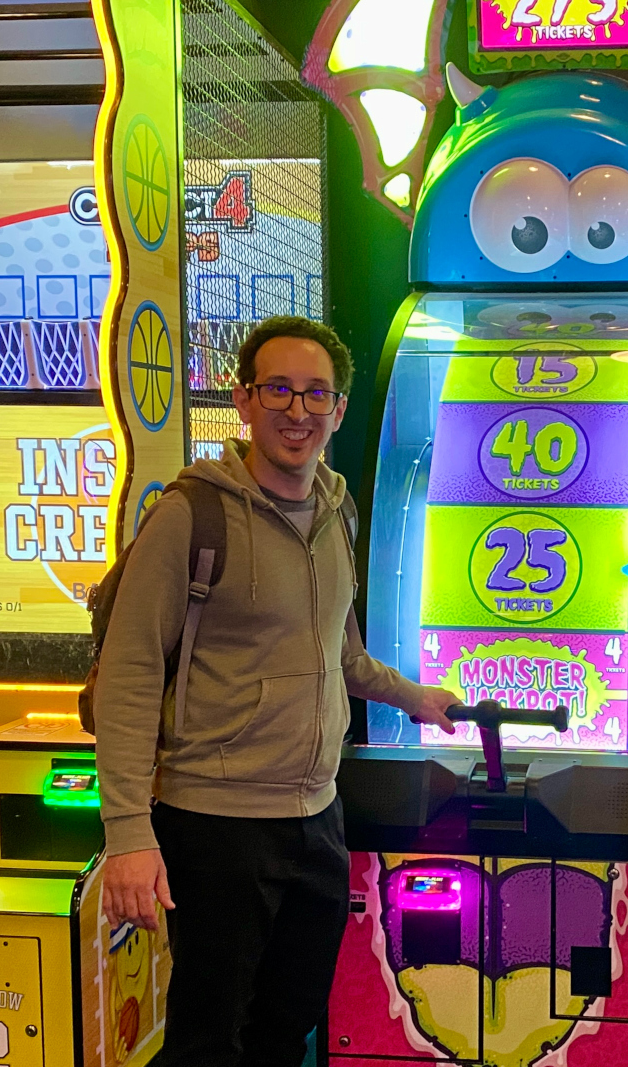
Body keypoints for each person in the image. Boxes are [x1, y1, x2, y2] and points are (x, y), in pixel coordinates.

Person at [93, 315, 461, 1067]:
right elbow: (129, 674)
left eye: (316, 393)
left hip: (317, 817)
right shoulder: (190, 515)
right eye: (280, 390)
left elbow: (342, 653)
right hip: (215, 823)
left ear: (340, 410)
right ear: (244, 399)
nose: (298, 411)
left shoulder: (335, 508)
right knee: (207, 1038)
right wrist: (128, 832)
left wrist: (415, 696)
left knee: (285, 1027)